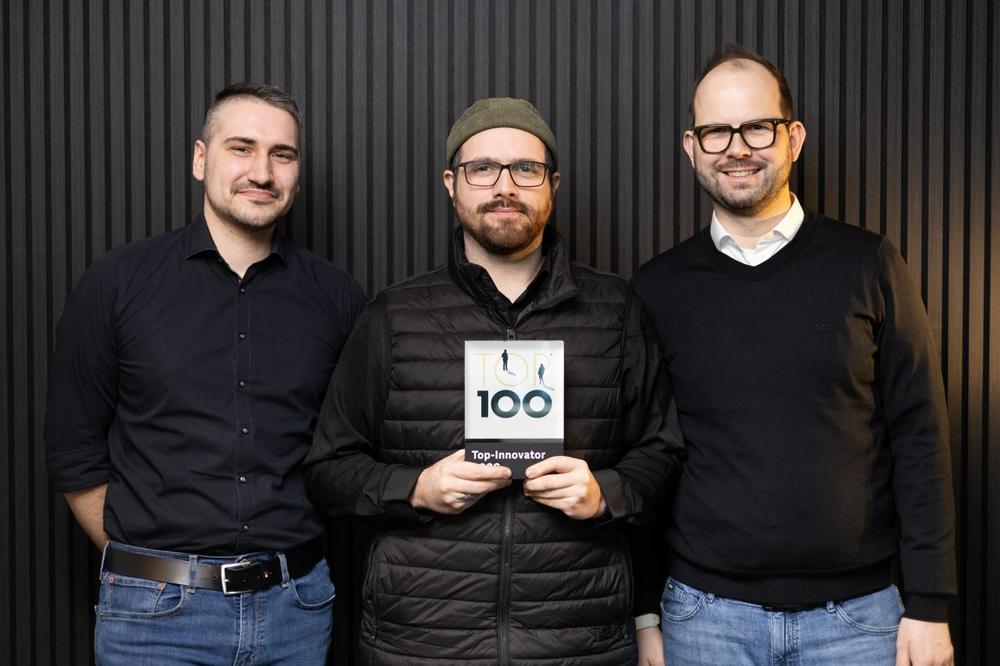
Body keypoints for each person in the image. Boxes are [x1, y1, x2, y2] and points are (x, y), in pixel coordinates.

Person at [303, 97, 684, 664]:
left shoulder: (616, 310)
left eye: (526, 169)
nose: (505, 186)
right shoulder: (394, 316)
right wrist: (416, 489)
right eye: (482, 168)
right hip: (421, 645)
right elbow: (328, 469)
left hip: (577, 642)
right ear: (451, 184)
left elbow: (662, 453)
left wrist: (606, 493)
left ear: (552, 185)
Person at [633, 44, 956, 666]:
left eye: (757, 126)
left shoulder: (868, 264)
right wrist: (645, 613)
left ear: (794, 138)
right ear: (691, 146)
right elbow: (648, 457)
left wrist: (930, 606)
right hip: (702, 621)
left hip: (860, 622)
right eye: (716, 131)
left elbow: (921, 438)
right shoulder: (657, 288)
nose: (737, 148)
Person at [45, 82, 366, 665]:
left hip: (296, 612)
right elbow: (74, 450)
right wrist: (148, 570)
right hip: (153, 619)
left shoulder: (338, 298)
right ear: (200, 159)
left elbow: (349, 448)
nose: (262, 172)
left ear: (297, 173)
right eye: (241, 148)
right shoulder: (117, 283)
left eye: (282, 154)